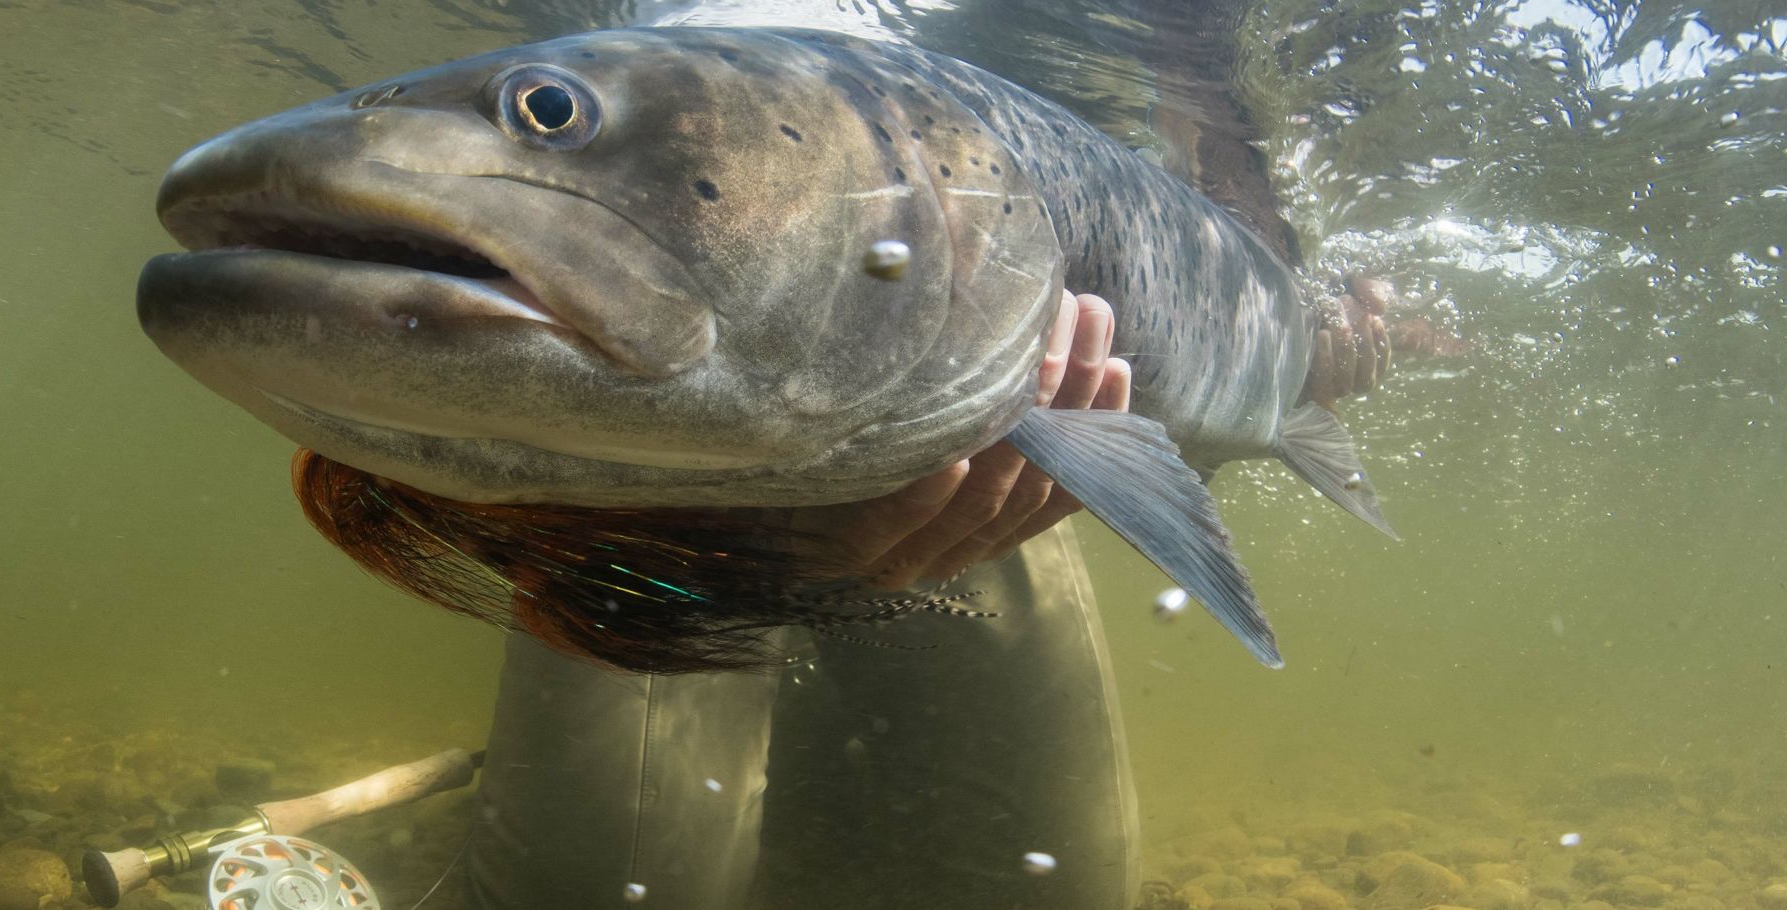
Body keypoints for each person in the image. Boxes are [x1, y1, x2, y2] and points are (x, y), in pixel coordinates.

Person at [446, 290, 1386, 910]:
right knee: (592, 889)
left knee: (1060, 892)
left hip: (962, 386)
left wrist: (1295, 336)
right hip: (654, 444)